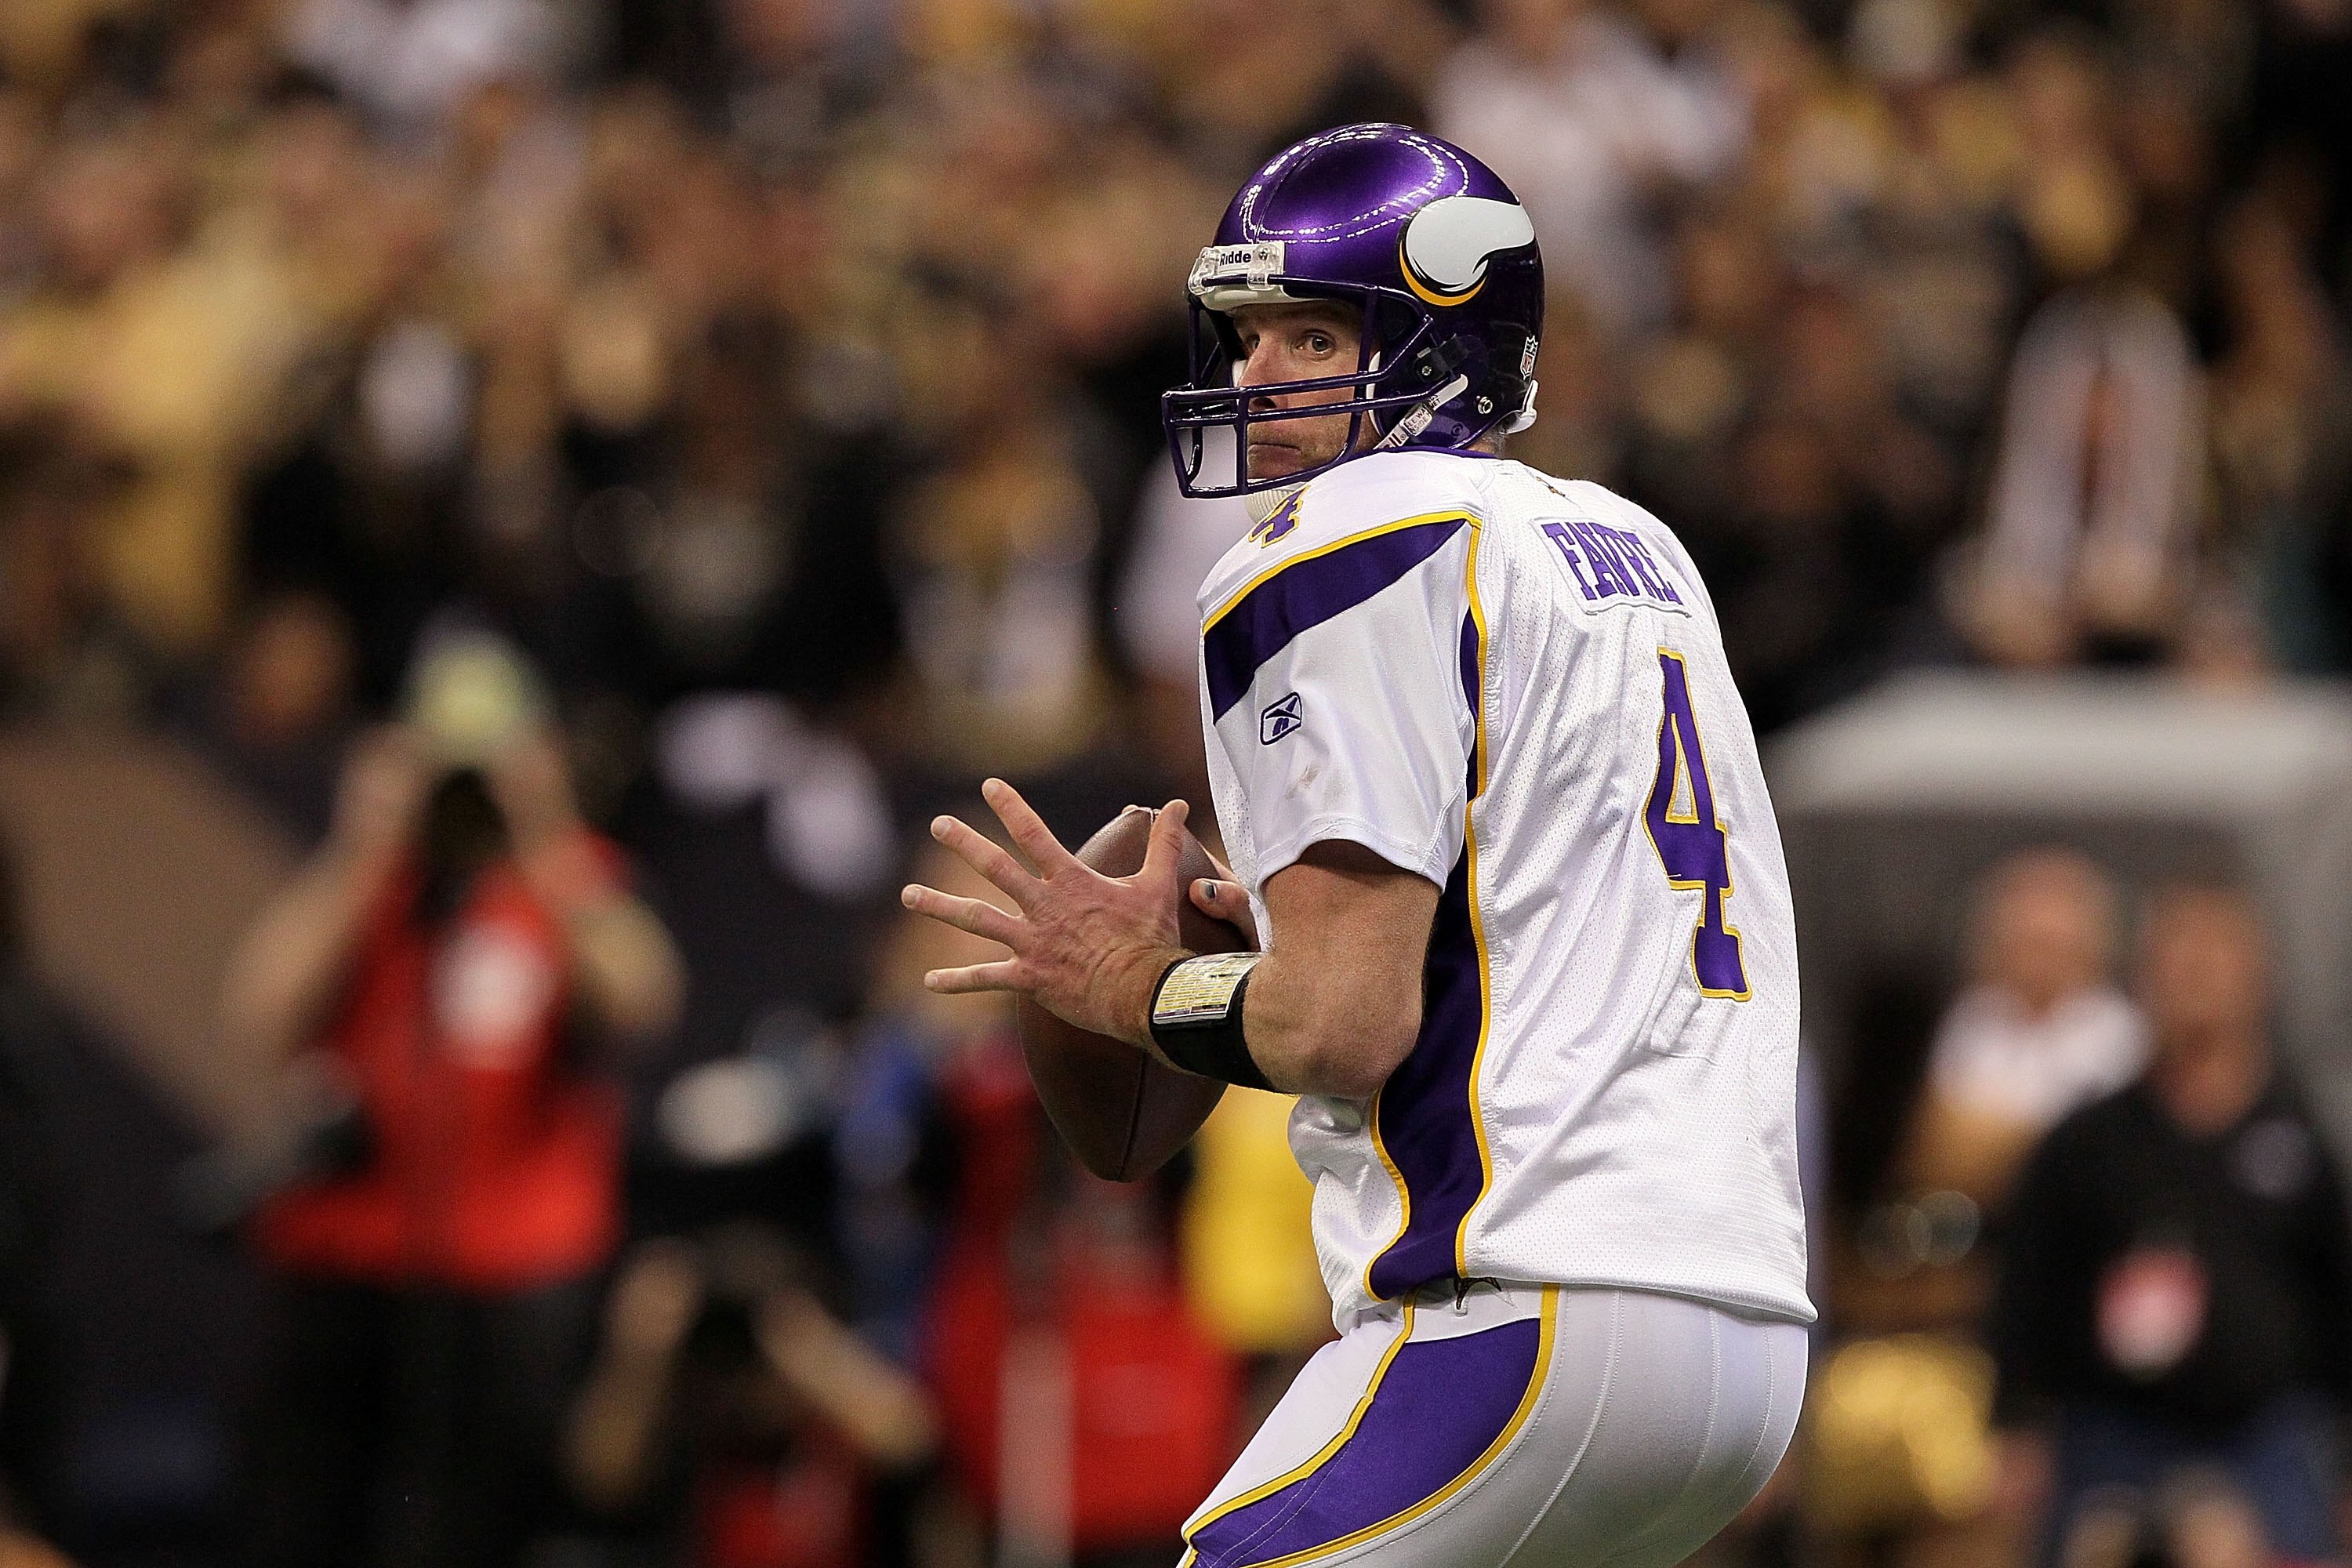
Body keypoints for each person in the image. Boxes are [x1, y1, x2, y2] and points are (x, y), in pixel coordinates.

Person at [903, 124, 1811, 1567]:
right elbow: (1136, 1127)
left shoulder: (1353, 531)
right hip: (1742, 1335)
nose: (1256, 376)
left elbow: (1342, 1024)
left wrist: (1121, 977)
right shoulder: (1636, 548)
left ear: (1445, 347)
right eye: (1249, 335)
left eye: (1310, 336)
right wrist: (1186, 983)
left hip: (1522, 1302)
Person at [219, 695, 684, 1568]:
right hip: (349, 1256)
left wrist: (542, 832)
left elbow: (644, 997)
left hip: (512, 1270)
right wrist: (363, 845)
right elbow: (258, 1009)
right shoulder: (375, 882)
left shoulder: (560, 879)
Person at [1988, 884, 2352, 1568]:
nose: (2195, 977)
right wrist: (2016, 1428)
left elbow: (2340, 1300)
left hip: (2264, 1439)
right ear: (2141, 977)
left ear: (2258, 976)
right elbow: (2029, 1290)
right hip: (2113, 1436)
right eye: (2176, 957)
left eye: (2214, 957)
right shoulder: (2089, 1140)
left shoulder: (2301, 1137)